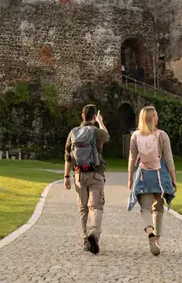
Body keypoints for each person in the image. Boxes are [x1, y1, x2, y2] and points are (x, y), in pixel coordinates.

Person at [127, 105, 177, 256]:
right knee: (159, 208)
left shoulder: (135, 136)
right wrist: (174, 179)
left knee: (145, 208)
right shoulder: (162, 135)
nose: (157, 118)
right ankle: (157, 240)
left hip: (143, 175)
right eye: (155, 115)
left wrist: (130, 178)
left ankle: (149, 231)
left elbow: (132, 158)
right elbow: (168, 158)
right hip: (160, 176)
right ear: (151, 118)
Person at [64, 104, 110, 254]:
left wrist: (66, 177)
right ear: (93, 117)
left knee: (83, 209)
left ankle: (86, 241)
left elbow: (67, 156)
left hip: (79, 175)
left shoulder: (73, 132)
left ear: (82, 116)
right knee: (96, 207)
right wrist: (101, 122)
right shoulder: (97, 132)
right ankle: (94, 234)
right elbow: (107, 136)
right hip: (96, 174)